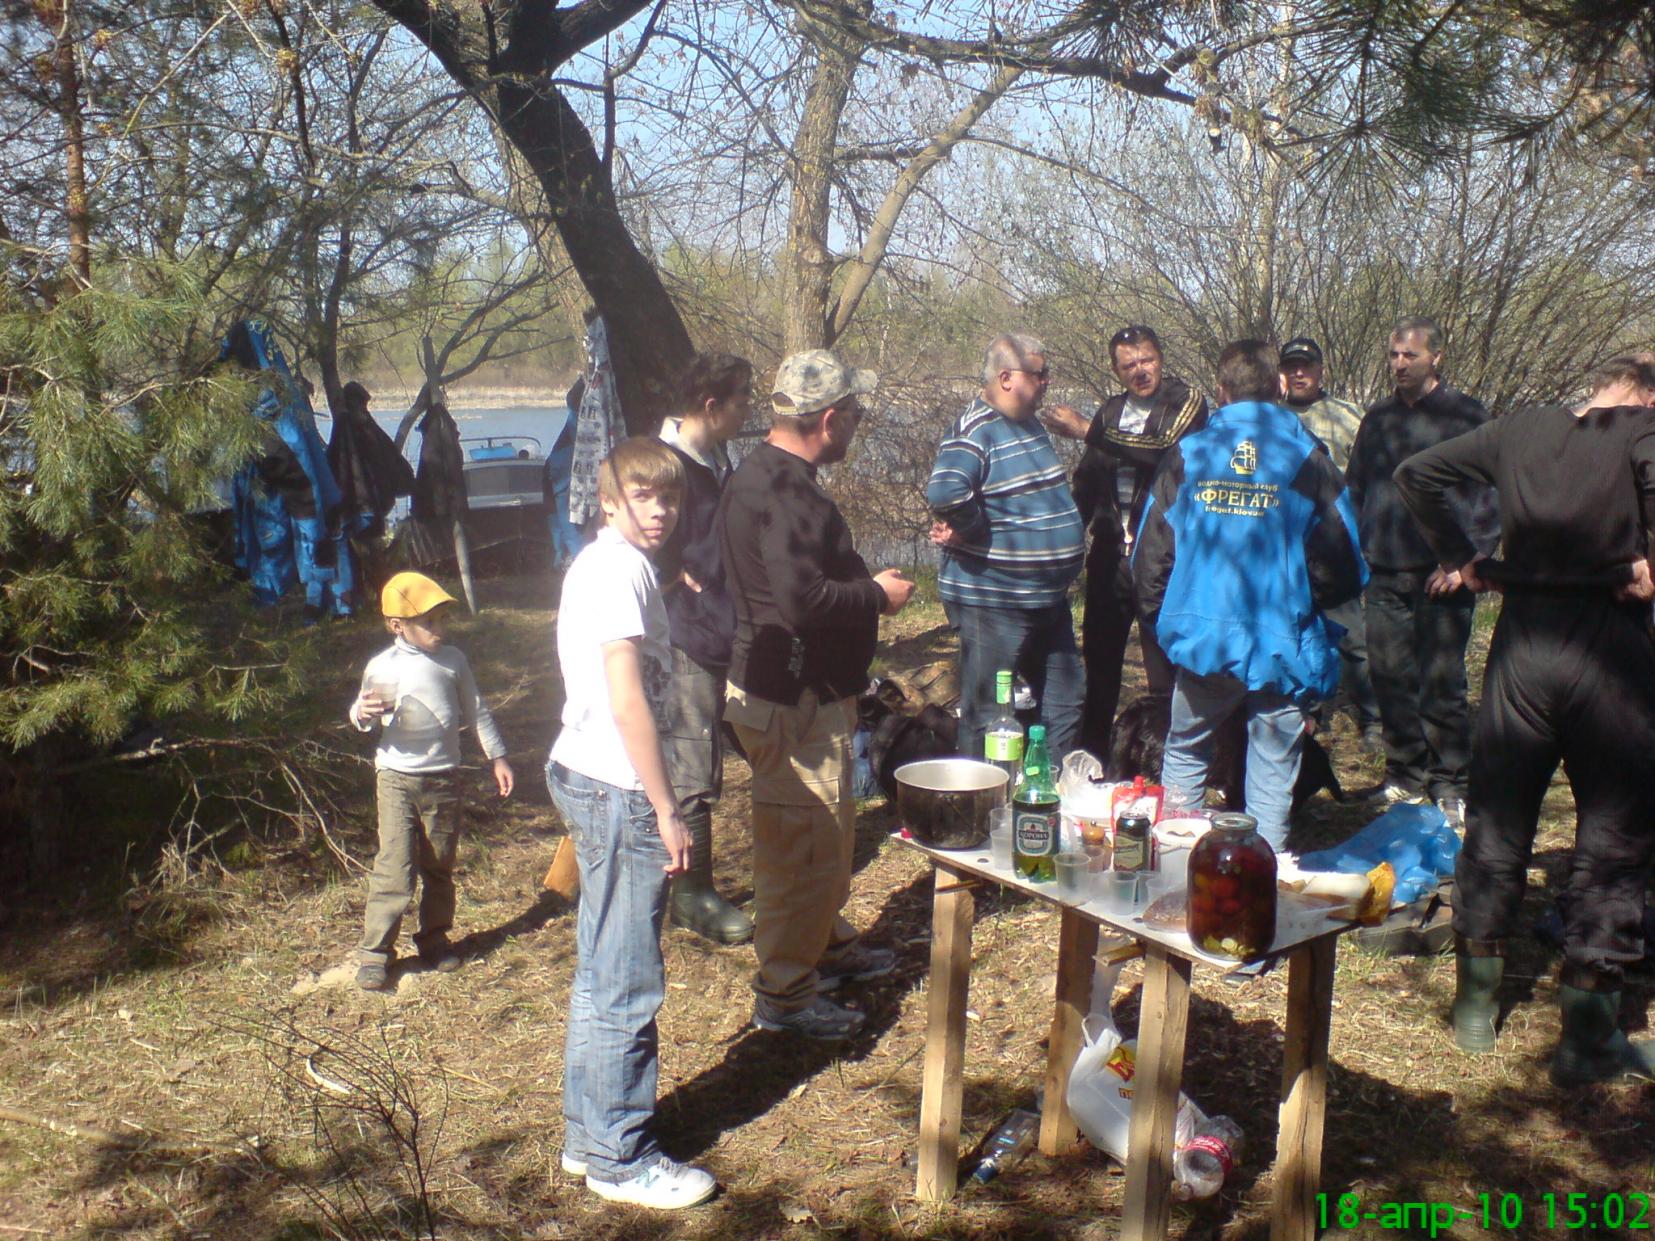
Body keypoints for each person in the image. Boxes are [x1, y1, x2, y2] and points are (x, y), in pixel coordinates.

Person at [1395, 354, 1655, 1085]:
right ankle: (1588, 1036)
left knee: (1498, 820)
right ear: (1646, 395)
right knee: (1613, 836)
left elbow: (1414, 474)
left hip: (1521, 654)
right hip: (1607, 654)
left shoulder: (1520, 428)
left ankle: (1474, 1010)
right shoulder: (1641, 431)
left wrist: (1461, 556)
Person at [718, 349, 915, 1040]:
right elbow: (801, 600)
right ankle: (785, 993)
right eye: (854, 414)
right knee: (799, 854)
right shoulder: (785, 492)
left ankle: (824, 948)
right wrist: (877, 596)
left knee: (823, 841)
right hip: (791, 701)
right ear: (829, 419)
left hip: (801, 695)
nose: (858, 424)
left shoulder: (763, 474)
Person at [544, 438, 717, 1208]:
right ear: (609, 499)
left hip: (590, 773)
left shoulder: (613, 563)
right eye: (642, 496)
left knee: (600, 967)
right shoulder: (617, 570)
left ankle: (588, 1137)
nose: (659, 510)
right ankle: (620, 1155)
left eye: (669, 496)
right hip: (617, 785)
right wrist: (666, 805)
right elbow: (626, 699)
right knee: (626, 978)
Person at [1133, 340, 1367, 852]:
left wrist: (1168, 625)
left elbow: (1149, 560)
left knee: (1187, 750)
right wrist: (1304, 606)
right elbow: (1346, 563)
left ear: (1221, 391)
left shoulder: (1189, 455)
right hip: (1282, 642)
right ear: (1278, 386)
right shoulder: (1307, 459)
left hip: (1204, 640)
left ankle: (1174, 864)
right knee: (1272, 769)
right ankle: (1262, 875)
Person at [1345, 315, 1498, 820]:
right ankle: (1404, 776)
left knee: (1442, 685)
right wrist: (1358, 549)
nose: (1400, 364)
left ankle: (1450, 782)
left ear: (1436, 357)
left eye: (1410, 355)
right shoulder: (1378, 418)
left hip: (1444, 577)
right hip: (1385, 572)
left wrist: (1466, 561)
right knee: (1390, 678)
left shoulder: (1464, 416)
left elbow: (1491, 496)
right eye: (1393, 355)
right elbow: (1357, 488)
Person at [1043, 324, 1209, 759]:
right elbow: (1086, 482)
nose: (1140, 371)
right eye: (1129, 365)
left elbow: (1165, 449)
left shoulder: (1186, 402)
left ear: (1161, 358)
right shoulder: (1111, 412)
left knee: (1166, 664)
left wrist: (1088, 430)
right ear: (1117, 371)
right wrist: (1061, 542)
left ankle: (1171, 761)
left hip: (1164, 557)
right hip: (1111, 554)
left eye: (1147, 360)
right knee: (1100, 663)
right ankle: (1092, 759)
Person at [349, 572, 514, 991]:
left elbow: (476, 710)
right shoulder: (381, 666)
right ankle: (375, 952)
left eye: (443, 619)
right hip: (396, 777)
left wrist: (497, 756)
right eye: (429, 622)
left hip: (442, 778)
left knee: (439, 864)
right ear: (397, 625)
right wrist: (363, 714)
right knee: (395, 866)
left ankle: (434, 939)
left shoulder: (453, 660)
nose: (439, 629)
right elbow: (363, 713)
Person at [926, 334, 1086, 761]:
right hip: (994, 601)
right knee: (987, 715)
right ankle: (981, 800)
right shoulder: (974, 430)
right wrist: (975, 531)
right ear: (1006, 378)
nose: (1047, 381)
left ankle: (1048, 791)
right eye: (1040, 373)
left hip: (1047, 599)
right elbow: (946, 491)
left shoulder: (1027, 423)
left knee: (1065, 702)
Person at [655, 352, 754, 944]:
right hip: (684, 636)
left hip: (726, 630)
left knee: (759, 738)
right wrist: (670, 577)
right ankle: (691, 895)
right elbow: (629, 540)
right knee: (692, 764)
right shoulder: (663, 465)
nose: (748, 411)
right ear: (711, 406)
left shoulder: (716, 457)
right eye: (741, 402)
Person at [1278, 337, 1383, 754]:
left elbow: (1370, 481)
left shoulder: (1349, 417)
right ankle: (1305, 714)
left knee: (1353, 639)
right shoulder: (1272, 418)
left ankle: (1373, 718)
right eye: (1291, 366)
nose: (1299, 373)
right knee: (1294, 635)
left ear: (1321, 370)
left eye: (1306, 366)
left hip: (1335, 546)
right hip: (1288, 549)